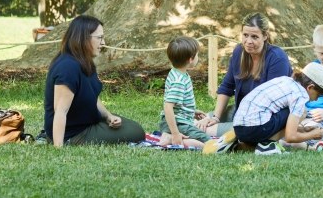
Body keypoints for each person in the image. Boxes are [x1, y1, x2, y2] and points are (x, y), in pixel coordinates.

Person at [43, 15, 145, 147]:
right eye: (100, 38)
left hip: (88, 122)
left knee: (131, 126)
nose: (103, 43)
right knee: (136, 132)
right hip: (75, 133)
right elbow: (60, 111)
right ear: (84, 38)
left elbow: (91, 96)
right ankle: (69, 142)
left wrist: (108, 116)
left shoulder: (84, 61)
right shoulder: (67, 67)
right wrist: (58, 146)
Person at [204, 62, 323, 155]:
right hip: (255, 127)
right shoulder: (300, 95)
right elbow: (290, 136)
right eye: (318, 95)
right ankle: (267, 145)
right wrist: (313, 134)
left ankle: (234, 146)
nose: (316, 99)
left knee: (253, 145)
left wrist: (304, 130)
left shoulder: (286, 80)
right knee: (302, 112)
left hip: (239, 127)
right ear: (310, 87)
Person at [202, 12, 292, 137]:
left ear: (265, 36)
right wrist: (216, 117)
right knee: (201, 120)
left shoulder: (277, 58)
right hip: (240, 111)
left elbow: (275, 102)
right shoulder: (239, 51)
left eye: (254, 37)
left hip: (261, 121)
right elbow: (227, 87)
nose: (248, 41)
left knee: (202, 130)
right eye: (245, 35)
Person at [156, 36, 210, 149]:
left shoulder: (176, 72)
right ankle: (172, 138)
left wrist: (191, 111)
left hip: (177, 120)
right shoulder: (179, 81)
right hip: (178, 124)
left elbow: (177, 104)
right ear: (190, 59)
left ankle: (169, 135)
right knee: (206, 141)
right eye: (197, 55)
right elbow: (168, 107)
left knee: (203, 138)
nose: (198, 57)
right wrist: (175, 133)